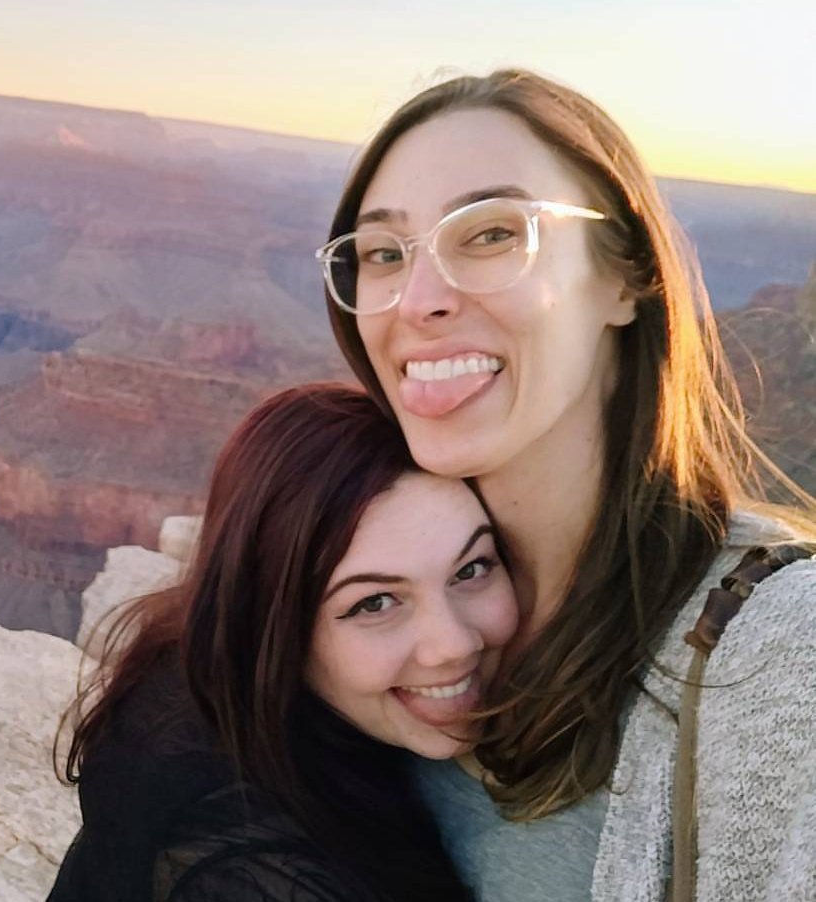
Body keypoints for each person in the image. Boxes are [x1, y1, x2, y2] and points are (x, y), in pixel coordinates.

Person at [316, 68, 816, 901]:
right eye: (383, 254)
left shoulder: (784, 651)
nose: (418, 300)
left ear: (625, 276)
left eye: (490, 234)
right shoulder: (338, 575)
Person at [48, 383, 518, 901]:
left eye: (472, 569)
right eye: (375, 603)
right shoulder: (255, 873)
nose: (453, 645)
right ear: (278, 628)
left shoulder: (206, 667)